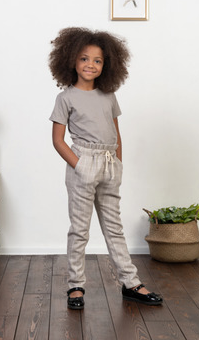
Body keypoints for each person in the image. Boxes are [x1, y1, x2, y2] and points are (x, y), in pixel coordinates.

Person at [49, 27, 163, 310]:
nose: (90, 64)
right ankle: (75, 285)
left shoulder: (108, 95)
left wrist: (119, 164)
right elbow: (57, 140)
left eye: (97, 60)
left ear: (107, 64)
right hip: (83, 165)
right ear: (71, 61)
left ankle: (131, 283)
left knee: (114, 228)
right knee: (80, 229)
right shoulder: (66, 98)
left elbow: (116, 133)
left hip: (110, 165)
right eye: (84, 58)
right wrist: (80, 165)